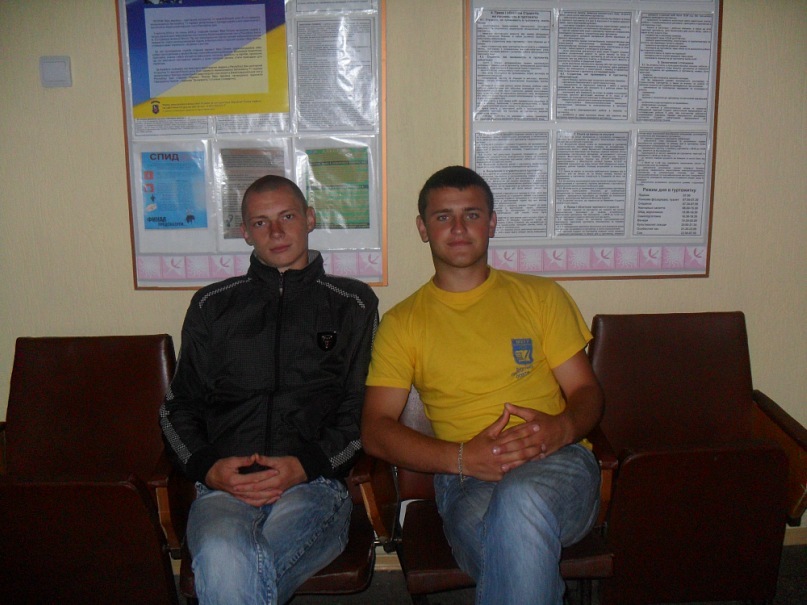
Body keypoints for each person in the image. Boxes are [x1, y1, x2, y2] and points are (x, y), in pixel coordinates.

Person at [362, 166, 603, 605]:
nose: (458, 228)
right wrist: (462, 458)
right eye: (443, 217)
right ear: (423, 228)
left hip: (558, 463)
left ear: (491, 223)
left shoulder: (541, 296)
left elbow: (587, 393)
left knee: (519, 503)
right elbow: (375, 430)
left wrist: (562, 428)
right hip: (466, 479)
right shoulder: (402, 323)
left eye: (471, 214)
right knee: (513, 555)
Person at [160, 174, 379, 605]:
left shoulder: (352, 303)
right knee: (225, 554)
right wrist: (208, 468)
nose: (276, 232)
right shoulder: (211, 304)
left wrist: (305, 466)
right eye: (261, 223)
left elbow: (362, 411)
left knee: (229, 569)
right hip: (224, 486)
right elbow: (176, 408)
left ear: (309, 219)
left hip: (313, 484)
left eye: (287, 217)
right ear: (245, 232)